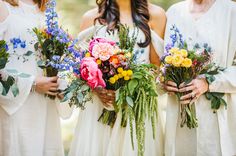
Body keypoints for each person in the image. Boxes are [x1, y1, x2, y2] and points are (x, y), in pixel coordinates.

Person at [68, 0, 166, 155]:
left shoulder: (156, 15)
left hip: (137, 105)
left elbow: (155, 66)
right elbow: (81, 66)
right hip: (100, 106)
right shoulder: (91, 18)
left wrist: (131, 87)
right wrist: (97, 88)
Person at [164, 0, 236, 155]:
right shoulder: (173, 12)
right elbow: (160, 61)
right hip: (180, 114)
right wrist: (164, 81)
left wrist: (209, 83)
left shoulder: (231, 12)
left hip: (217, 114)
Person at [0, 0, 65, 155]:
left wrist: (61, 82)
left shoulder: (47, 9)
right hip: (16, 105)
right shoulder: (3, 6)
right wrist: (32, 83)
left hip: (47, 105)